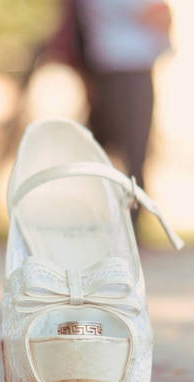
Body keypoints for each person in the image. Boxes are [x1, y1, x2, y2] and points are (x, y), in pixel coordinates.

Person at [75, 0, 172, 227]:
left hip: (118, 68)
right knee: (131, 153)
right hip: (125, 70)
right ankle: (127, 230)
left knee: (120, 152)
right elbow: (155, 14)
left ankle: (121, 227)